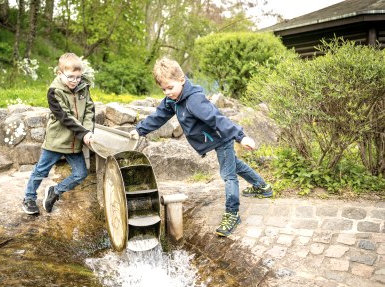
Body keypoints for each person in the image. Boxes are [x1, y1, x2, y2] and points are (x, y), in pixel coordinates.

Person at [129, 57, 272, 237]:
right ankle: (262, 187)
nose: (166, 92)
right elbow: (159, 115)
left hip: (222, 136)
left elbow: (217, 119)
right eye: (163, 89)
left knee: (228, 175)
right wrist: (139, 130)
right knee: (233, 164)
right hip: (212, 138)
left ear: (182, 80)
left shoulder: (194, 100)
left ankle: (232, 213)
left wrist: (241, 136)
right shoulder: (173, 98)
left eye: (170, 87)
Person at [22, 53, 95, 215]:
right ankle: (29, 197)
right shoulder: (54, 92)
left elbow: (89, 110)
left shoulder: (83, 87)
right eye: (70, 77)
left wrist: (88, 131)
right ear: (59, 73)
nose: (74, 81)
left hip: (75, 142)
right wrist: (83, 133)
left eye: (78, 77)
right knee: (41, 170)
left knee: (81, 173)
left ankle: (55, 191)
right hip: (57, 141)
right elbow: (65, 117)